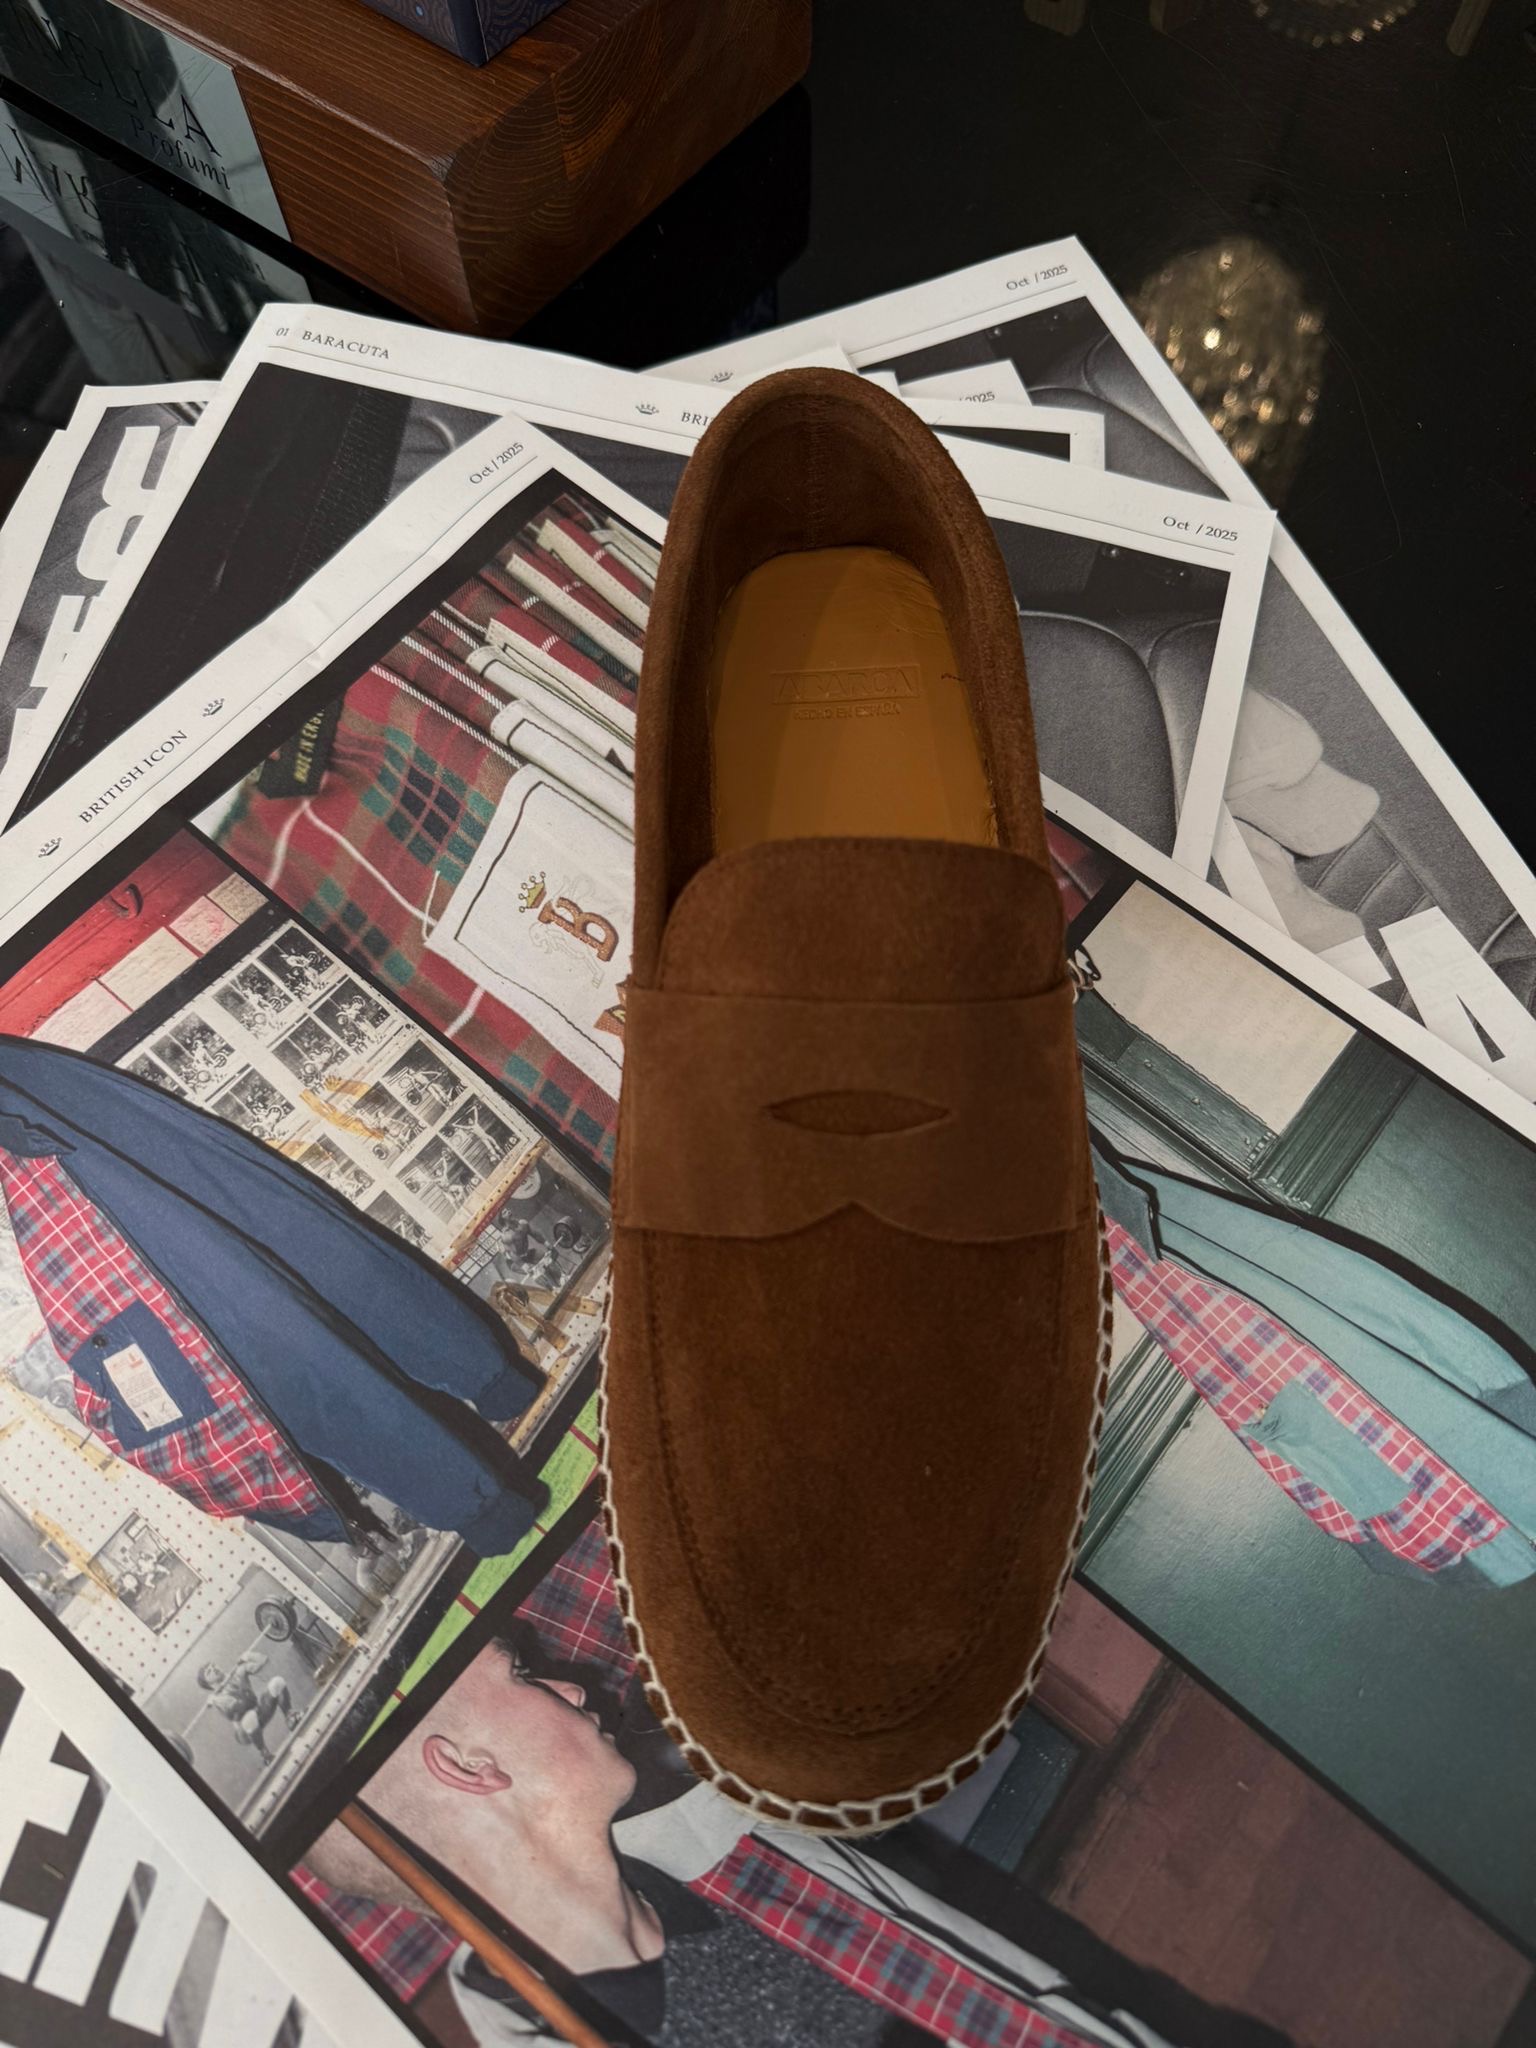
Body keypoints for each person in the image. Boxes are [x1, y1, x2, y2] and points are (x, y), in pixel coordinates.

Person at [308, 1635, 1178, 2048]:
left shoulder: (706, 1834)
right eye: (526, 1677)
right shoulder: (557, 2032)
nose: (573, 1690)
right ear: (467, 1768)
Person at [198, 1649, 300, 1765]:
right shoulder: (217, 1699)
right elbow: (235, 1710)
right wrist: (216, 1699)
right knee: (250, 1717)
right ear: (209, 1684)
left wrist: (249, 1655)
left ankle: (290, 1717)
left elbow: (263, 1661)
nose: (214, 1669)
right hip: (245, 1731)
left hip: (260, 1712)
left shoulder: (238, 1672)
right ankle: (265, 1754)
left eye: (213, 1665)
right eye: (209, 1672)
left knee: (277, 1682)